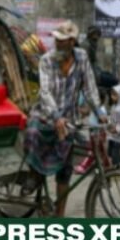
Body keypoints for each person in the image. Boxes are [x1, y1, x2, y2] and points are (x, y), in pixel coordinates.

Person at [25, 21, 104, 217]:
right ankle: (34, 174)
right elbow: (45, 92)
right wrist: (56, 116)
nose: (58, 44)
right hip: (46, 114)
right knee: (33, 132)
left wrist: (101, 113)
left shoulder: (82, 57)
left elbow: (90, 88)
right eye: (56, 40)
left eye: (63, 41)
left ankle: (59, 215)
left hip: (69, 119)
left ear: (72, 42)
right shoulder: (46, 60)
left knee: (65, 171)